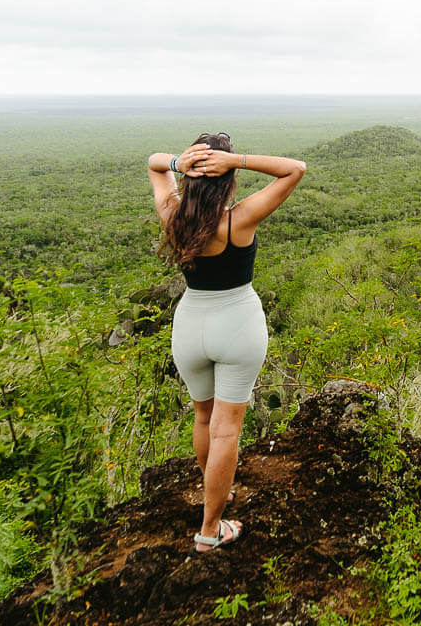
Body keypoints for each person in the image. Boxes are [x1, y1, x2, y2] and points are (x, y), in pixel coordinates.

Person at [147, 132, 307, 552]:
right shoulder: (240, 220)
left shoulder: (173, 215)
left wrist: (180, 161)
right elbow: (296, 169)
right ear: (224, 178)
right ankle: (210, 529)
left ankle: (214, 491)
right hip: (237, 323)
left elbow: (153, 163)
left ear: (192, 178)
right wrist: (237, 161)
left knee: (203, 418)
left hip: (190, 325)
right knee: (226, 432)